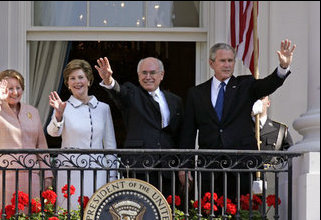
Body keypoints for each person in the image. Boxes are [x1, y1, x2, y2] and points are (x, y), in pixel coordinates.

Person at [179, 39, 296, 200]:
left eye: (230, 61)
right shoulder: (196, 93)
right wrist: (185, 166)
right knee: (210, 219)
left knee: (243, 219)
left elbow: (268, 85)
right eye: (222, 61)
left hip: (242, 165)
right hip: (210, 166)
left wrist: (283, 68)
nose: (227, 65)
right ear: (211, 63)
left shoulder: (245, 85)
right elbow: (188, 133)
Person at [95, 56, 184, 198]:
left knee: (166, 214)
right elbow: (119, 92)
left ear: (162, 75)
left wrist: (182, 167)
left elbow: (180, 135)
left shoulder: (175, 100)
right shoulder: (132, 93)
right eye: (144, 73)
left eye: (152, 72)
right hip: (139, 166)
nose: (148, 77)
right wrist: (109, 80)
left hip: (167, 168)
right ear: (138, 75)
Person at [0, 69, 53, 220]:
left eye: (18, 87)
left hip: (30, 174)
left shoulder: (32, 111)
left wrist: (47, 174)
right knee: (5, 219)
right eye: (9, 89)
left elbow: (41, 144)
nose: (14, 92)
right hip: (4, 174)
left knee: (31, 219)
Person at [46, 59, 117, 210]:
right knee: (70, 215)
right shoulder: (63, 107)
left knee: (96, 216)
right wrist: (58, 115)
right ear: (68, 83)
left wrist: (112, 176)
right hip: (71, 173)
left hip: (99, 173)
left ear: (89, 81)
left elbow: (110, 146)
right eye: (72, 78)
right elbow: (53, 132)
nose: (77, 82)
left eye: (81, 77)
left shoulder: (103, 108)